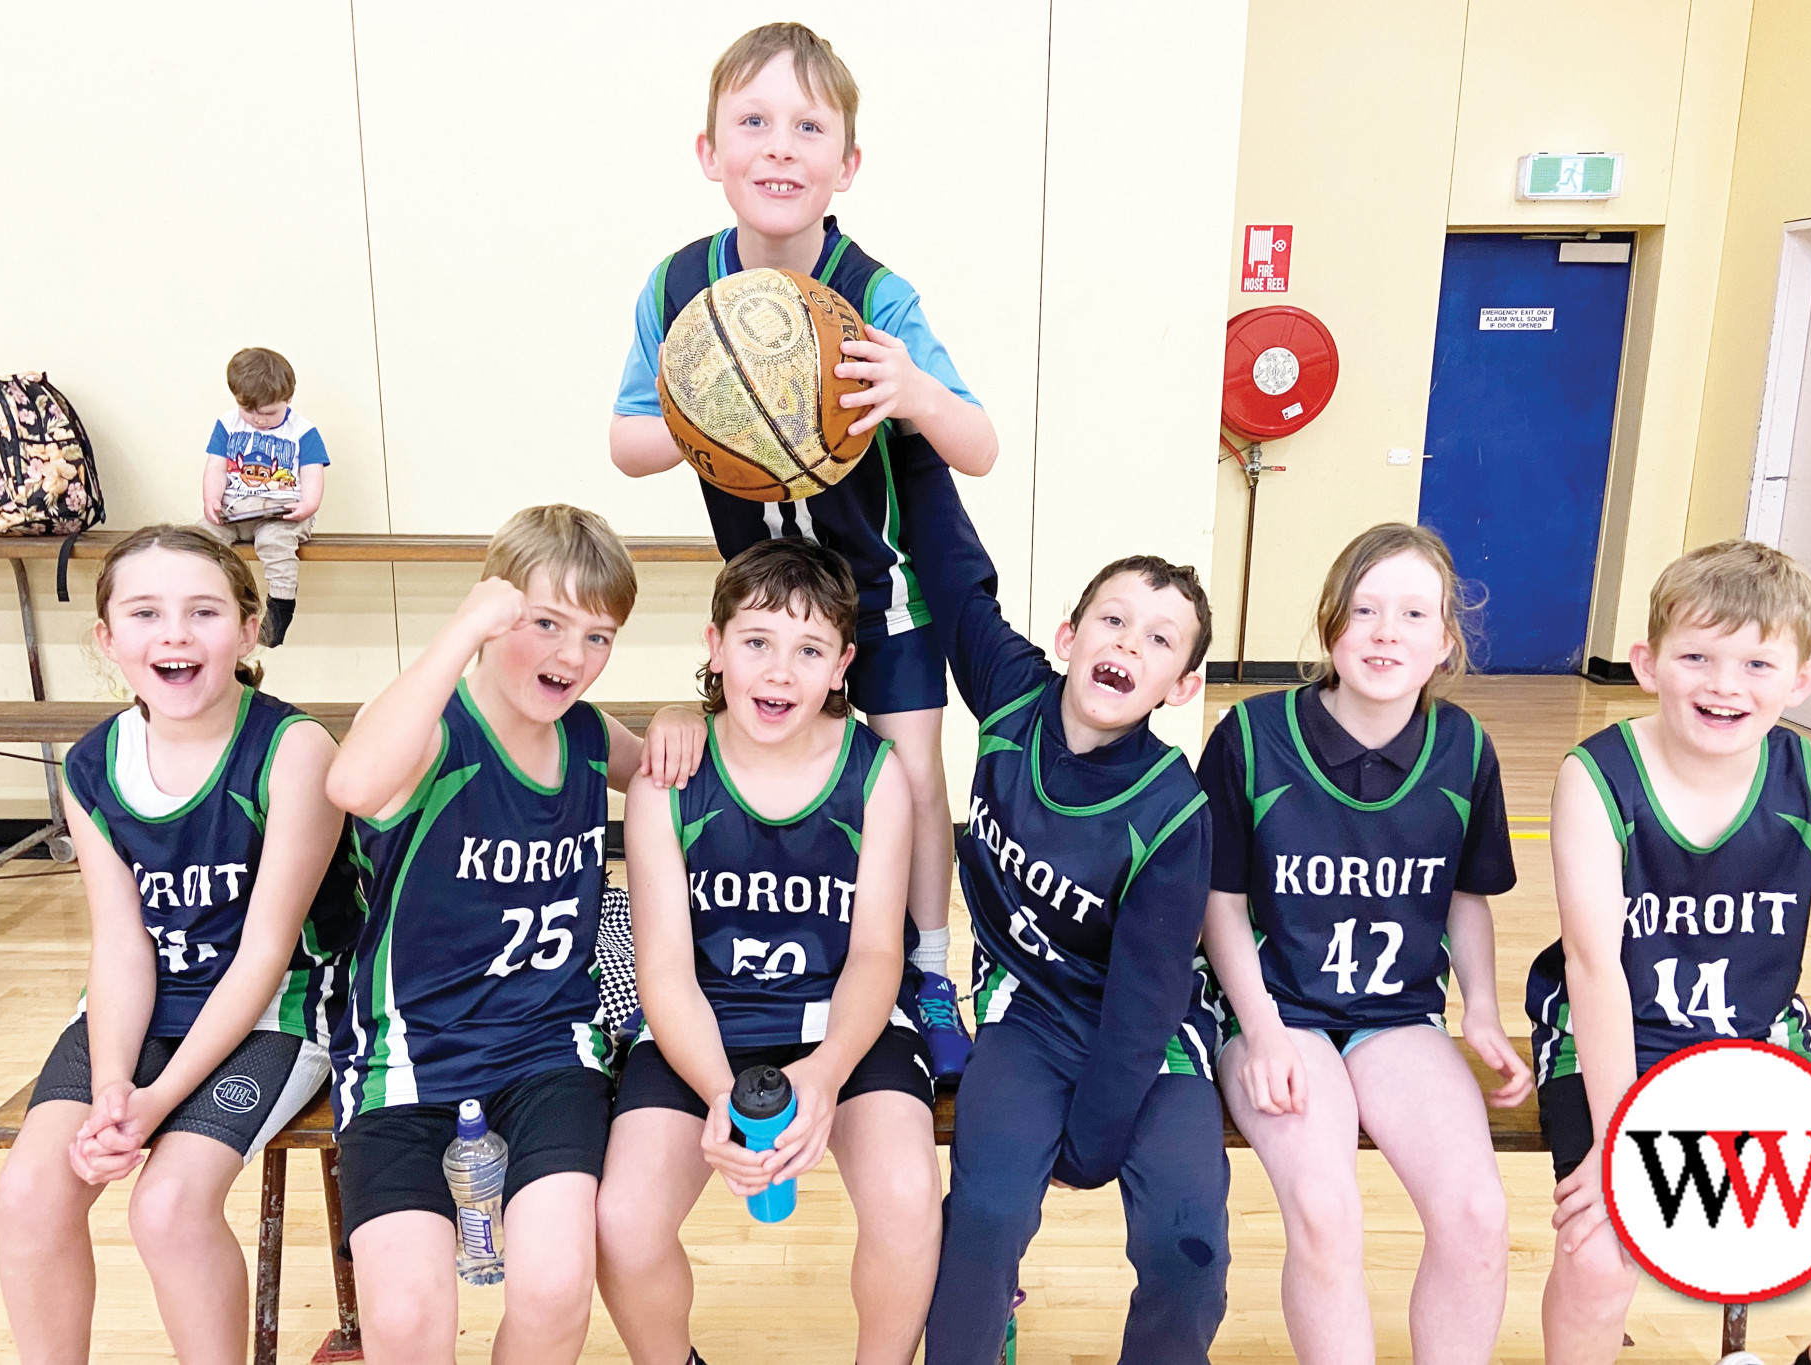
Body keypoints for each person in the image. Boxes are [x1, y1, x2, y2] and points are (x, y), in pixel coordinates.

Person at [608, 21, 999, 1084]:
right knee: (756, 756)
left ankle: (924, 967)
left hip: (886, 577)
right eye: (752, 122)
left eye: (807, 127)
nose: (779, 147)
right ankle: (744, 960)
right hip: (775, 586)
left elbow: (981, 443)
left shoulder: (874, 295)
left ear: (845, 164)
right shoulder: (675, 287)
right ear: (708, 152)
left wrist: (913, 394)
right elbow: (626, 442)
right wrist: (711, 409)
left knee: (910, 764)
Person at [323, 504, 705, 1365]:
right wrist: (460, 631)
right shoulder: (433, 733)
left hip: (548, 1051)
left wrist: (684, 710)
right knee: (410, 1315)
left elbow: (662, 771)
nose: (572, 657)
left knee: (556, 1282)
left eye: (598, 637)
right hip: (406, 1061)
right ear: (493, 612)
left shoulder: (581, 732)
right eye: (545, 624)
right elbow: (351, 780)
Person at [1527, 539, 1811, 1365]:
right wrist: (1618, 1142)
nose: (1724, 684)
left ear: (1803, 679)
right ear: (1647, 662)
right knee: (1600, 1257)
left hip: (1761, 1049)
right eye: (1697, 655)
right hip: (1622, 1047)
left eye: (1756, 662)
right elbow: (1595, 969)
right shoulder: (1596, 776)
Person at [0, 524, 356, 1364]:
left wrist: (156, 1104)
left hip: (275, 1012)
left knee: (165, 1207)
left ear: (248, 627)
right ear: (108, 638)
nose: (176, 633)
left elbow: (266, 953)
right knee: (30, 1195)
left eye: (203, 611)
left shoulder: (293, 751)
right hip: (139, 1009)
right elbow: (119, 943)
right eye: (146, 612)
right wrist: (116, 1085)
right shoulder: (90, 764)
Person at [893, 471, 1228, 1365]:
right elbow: (960, 578)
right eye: (1114, 620)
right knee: (986, 1214)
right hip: (1030, 1013)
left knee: (1189, 1251)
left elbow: (1148, 996)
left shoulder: (1173, 811)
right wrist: (918, 436)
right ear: (1069, 636)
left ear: (1180, 685)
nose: (1129, 643)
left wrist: (1095, 1132)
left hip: (1149, 1042)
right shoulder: (1010, 694)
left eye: (1160, 640)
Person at [596, 538, 938, 1365]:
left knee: (906, 1195)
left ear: (842, 665)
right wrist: (720, 1096)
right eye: (757, 642)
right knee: (622, 1222)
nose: (780, 672)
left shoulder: (876, 774)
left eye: (809, 649)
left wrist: (822, 1074)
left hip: (846, 1025)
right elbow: (667, 972)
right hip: (703, 1026)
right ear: (714, 648)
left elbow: (873, 956)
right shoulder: (668, 781)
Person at [1198, 523, 1529, 1365]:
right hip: (1276, 1015)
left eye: (1414, 613)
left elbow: (1465, 894)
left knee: (1477, 1212)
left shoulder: (1464, 748)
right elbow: (1220, 902)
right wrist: (1265, 1029)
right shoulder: (1251, 737)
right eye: (1367, 608)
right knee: (1324, 1206)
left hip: (1397, 1018)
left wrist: (1483, 1009)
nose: (1387, 631)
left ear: (1446, 640)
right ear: (1331, 623)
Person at [200, 347, 329, 647]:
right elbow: (215, 468)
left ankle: (280, 608)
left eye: (269, 413)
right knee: (199, 539)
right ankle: (204, 602)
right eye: (249, 413)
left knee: (273, 542)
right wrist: (211, 499)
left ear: (289, 398)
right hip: (235, 511)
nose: (258, 421)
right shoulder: (227, 425)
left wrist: (308, 505)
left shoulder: (302, 432)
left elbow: (312, 473)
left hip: (281, 513)